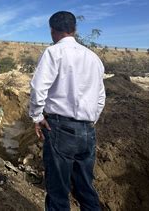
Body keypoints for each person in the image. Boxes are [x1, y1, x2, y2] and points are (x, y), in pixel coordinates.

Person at [29, 11, 105, 211]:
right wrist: (89, 121)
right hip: (88, 131)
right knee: (86, 188)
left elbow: (39, 87)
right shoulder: (93, 58)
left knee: (58, 190)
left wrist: (37, 116)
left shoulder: (54, 52)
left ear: (52, 31)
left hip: (60, 129)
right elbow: (100, 97)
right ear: (75, 29)